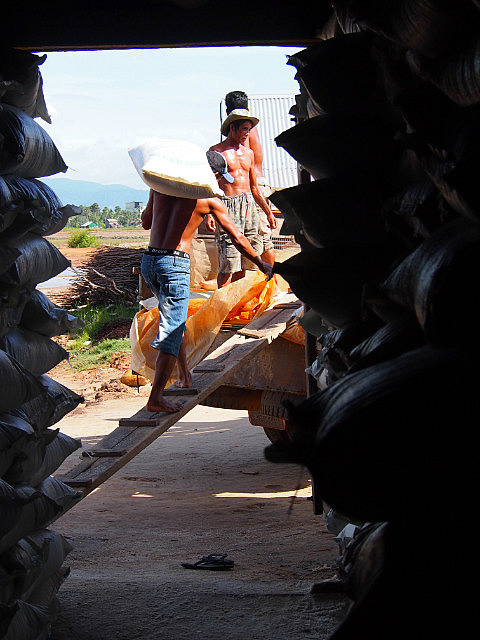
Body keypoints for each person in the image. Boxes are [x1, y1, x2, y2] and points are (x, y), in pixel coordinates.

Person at [141, 188, 272, 414]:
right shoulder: (207, 201)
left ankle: (185, 376)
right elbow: (238, 238)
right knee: (172, 331)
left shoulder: (159, 188)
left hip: (150, 261)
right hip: (174, 263)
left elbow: (146, 222)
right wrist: (262, 264)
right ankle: (155, 398)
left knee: (174, 320)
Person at [207, 108, 277, 288]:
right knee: (228, 260)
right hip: (227, 206)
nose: (247, 133)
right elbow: (210, 186)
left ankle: (237, 299)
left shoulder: (249, 153)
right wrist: (210, 213)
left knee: (248, 256)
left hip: (249, 205)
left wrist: (268, 212)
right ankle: (223, 301)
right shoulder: (217, 152)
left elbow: (254, 187)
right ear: (232, 128)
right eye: (244, 129)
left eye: (249, 129)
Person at [224, 91, 276, 268]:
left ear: (228, 113)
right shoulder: (252, 128)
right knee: (262, 237)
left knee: (262, 238)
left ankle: (272, 279)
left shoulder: (241, 132)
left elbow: (241, 161)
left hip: (253, 186)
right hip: (258, 183)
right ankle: (268, 277)